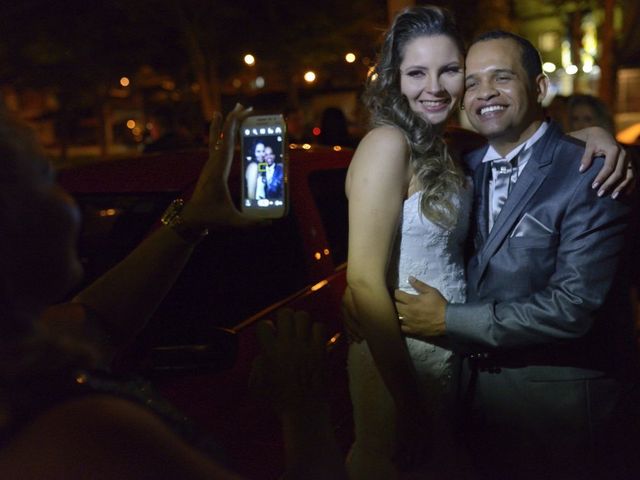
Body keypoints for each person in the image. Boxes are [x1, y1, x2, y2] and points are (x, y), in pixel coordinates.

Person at [342, 6, 634, 480]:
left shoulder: (460, 154)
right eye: (417, 72)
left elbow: (575, 302)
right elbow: (365, 271)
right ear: (395, 79)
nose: (436, 87)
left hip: (502, 384)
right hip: (410, 365)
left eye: (450, 71)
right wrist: (362, 291)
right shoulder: (393, 144)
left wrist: (591, 135)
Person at [0, 104, 346, 479]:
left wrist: (191, 220)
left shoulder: (20, 353)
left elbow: (99, 319)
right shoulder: (83, 431)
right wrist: (303, 407)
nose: (68, 202)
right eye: (47, 176)